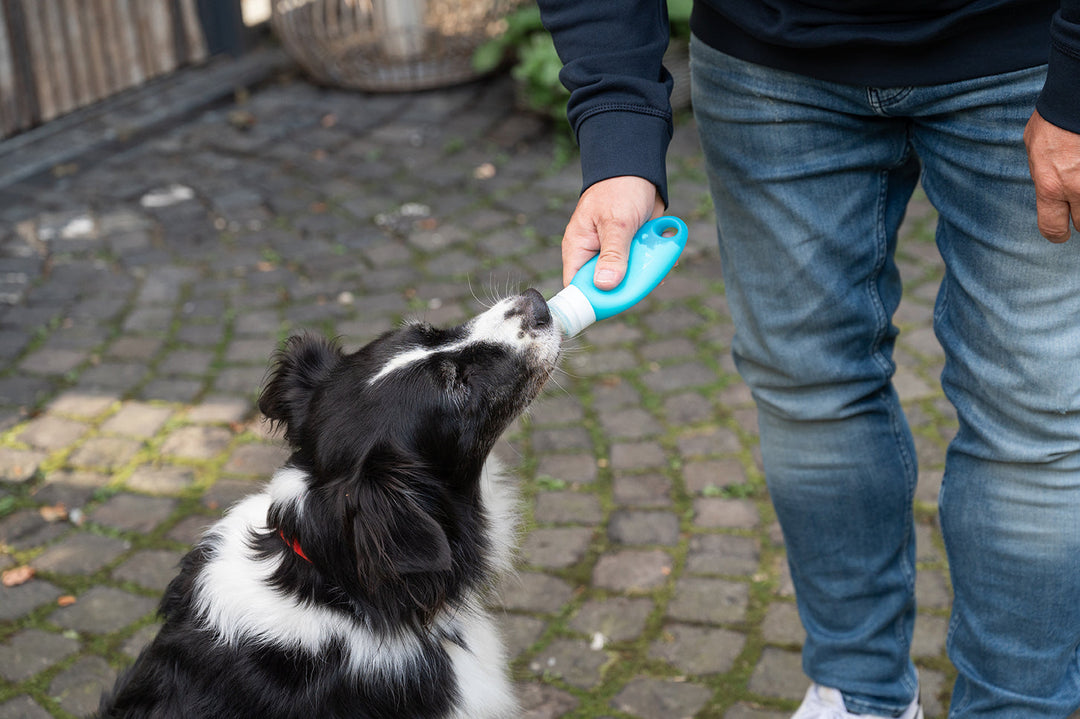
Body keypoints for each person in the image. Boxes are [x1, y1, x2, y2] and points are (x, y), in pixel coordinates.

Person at [535, 1, 1080, 717]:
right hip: (769, 62)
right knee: (808, 393)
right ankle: (859, 694)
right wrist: (617, 129)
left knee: (1034, 420)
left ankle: (1019, 706)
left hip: (1025, 49)